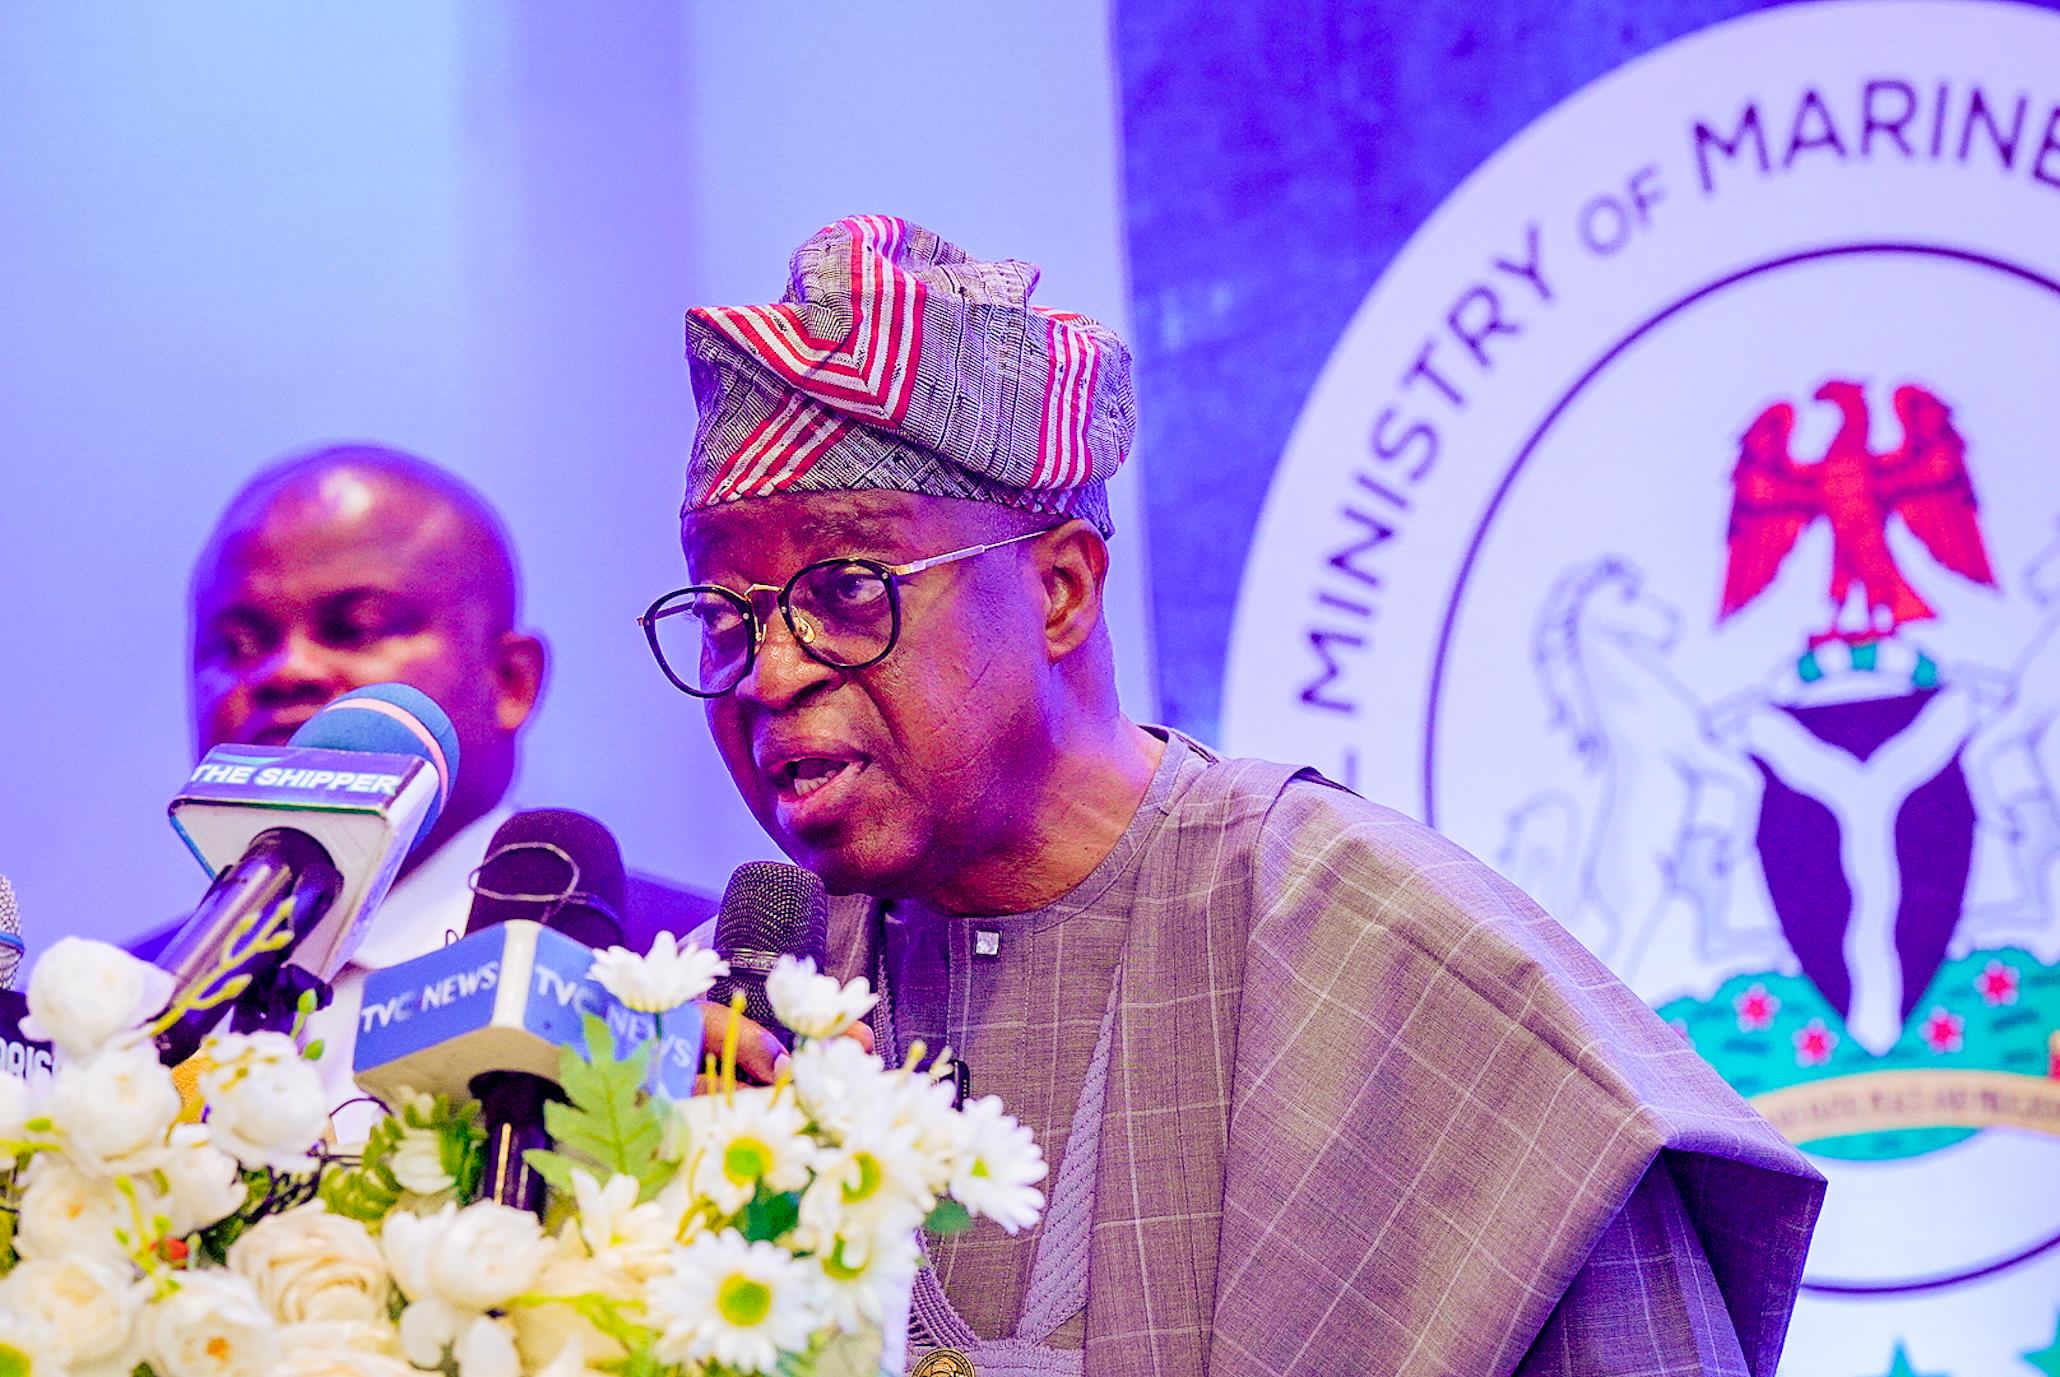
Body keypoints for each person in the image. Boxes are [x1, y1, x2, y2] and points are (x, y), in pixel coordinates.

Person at [647, 217, 1825, 1375]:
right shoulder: (710, 1023)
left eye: (847, 590)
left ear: (1059, 591)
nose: (769, 673)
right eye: (723, 618)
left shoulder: (1403, 968)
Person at [137, 444, 710, 1123]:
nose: (284, 670)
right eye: (237, 645)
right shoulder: (118, 1022)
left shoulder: (680, 975)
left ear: (511, 682)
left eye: (356, 628)